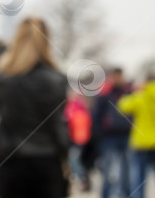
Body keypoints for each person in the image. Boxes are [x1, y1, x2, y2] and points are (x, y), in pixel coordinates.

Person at [0, 16, 70, 198]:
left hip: (10, 160)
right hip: (46, 161)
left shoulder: (4, 79)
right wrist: (65, 154)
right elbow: (57, 124)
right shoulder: (56, 80)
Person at [92, 67, 132, 198]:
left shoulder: (128, 92)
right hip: (108, 138)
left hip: (126, 136)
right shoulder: (104, 94)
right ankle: (106, 194)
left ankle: (127, 194)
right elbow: (96, 116)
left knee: (127, 171)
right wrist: (101, 134)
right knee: (108, 171)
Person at [118, 70, 155, 198]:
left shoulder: (141, 96)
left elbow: (123, 105)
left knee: (138, 177)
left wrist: (135, 91)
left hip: (141, 142)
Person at [64, 91, 92, 191]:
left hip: (79, 141)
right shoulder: (73, 108)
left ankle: (82, 178)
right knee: (74, 160)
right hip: (75, 140)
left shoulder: (78, 109)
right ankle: (82, 179)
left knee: (74, 159)